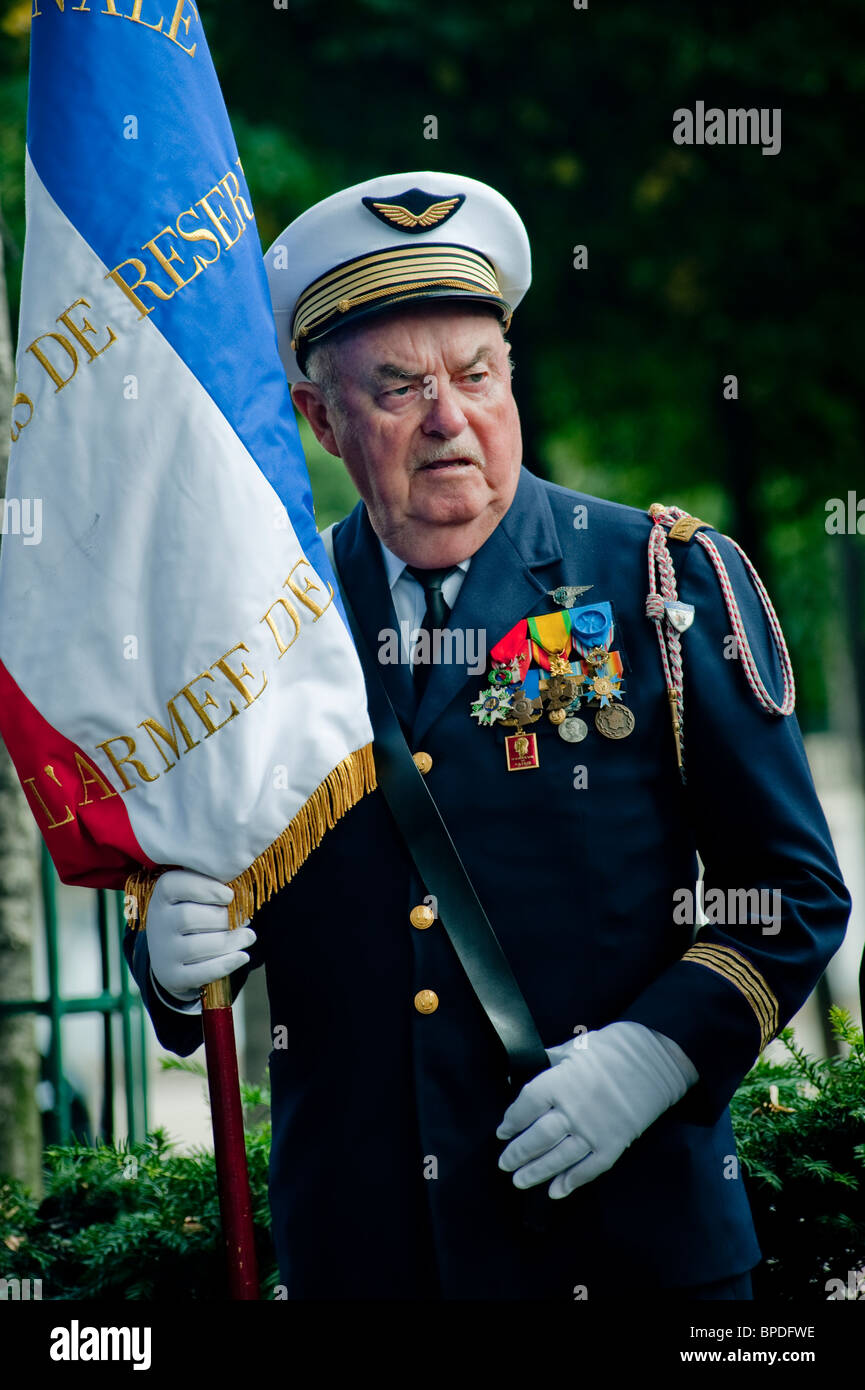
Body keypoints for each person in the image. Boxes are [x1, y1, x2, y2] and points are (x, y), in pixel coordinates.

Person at [124, 171, 851, 1301]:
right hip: (369, 1257)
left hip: (629, 1253)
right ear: (318, 419)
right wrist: (168, 964)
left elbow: (793, 890)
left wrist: (656, 1052)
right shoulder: (263, 629)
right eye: (401, 386)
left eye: (476, 375)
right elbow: (219, 888)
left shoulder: (662, 582)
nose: (448, 418)